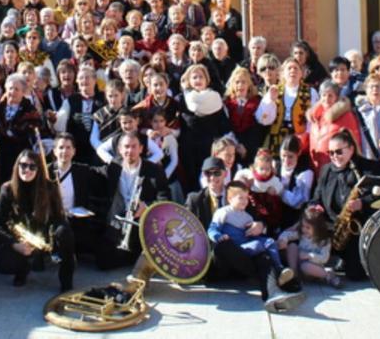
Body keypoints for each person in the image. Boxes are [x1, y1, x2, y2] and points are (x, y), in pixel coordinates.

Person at [186, 157, 303, 313]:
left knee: (263, 253)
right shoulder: (195, 199)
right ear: (203, 175)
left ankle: (273, 294)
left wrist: (260, 226)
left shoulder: (238, 194)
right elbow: (187, 230)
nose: (212, 178)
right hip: (216, 261)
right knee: (223, 244)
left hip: (243, 256)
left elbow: (260, 219)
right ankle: (282, 282)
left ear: (225, 173)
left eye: (216, 173)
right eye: (208, 174)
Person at [310, 130, 380, 280]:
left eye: (339, 152)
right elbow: (316, 197)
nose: (334, 157)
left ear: (351, 149)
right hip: (333, 227)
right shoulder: (326, 170)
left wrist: (362, 203)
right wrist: (315, 207)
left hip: (358, 229)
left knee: (356, 275)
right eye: (331, 153)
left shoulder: (369, 168)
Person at [0, 149, 75, 292]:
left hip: (44, 237)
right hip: (22, 240)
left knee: (66, 233)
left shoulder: (49, 187)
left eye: (32, 166)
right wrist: (15, 244)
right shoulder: (7, 189)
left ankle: (66, 279)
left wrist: (57, 238)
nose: (27, 170)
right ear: (17, 166)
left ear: (39, 169)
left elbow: (59, 218)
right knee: (2, 263)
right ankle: (22, 270)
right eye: (23, 165)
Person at [94, 133, 170, 270]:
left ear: (141, 149)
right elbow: (91, 172)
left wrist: (146, 207)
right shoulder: (114, 167)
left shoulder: (155, 170)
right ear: (120, 149)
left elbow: (164, 199)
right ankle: (130, 255)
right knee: (102, 261)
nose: (130, 151)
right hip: (120, 219)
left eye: (134, 146)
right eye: (126, 147)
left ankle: (133, 254)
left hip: (143, 221)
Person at [208, 180, 295, 287]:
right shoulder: (223, 212)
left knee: (270, 242)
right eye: (241, 198)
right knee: (258, 246)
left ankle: (279, 269)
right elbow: (212, 229)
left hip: (247, 244)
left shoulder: (248, 217)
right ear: (230, 199)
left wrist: (257, 230)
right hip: (234, 248)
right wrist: (218, 236)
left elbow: (254, 235)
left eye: (246, 198)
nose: (245, 201)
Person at [178, 64, 231, 194]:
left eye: (201, 76)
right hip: (190, 149)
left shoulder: (215, 97)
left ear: (207, 79)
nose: (198, 80)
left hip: (210, 147)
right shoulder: (182, 98)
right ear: (188, 80)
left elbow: (223, 123)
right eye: (194, 77)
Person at [277, 207, 340, 288]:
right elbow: (287, 234)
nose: (304, 229)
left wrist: (309, 255)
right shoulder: (302, 235)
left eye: (308, 228)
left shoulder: (324, 241)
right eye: (303, 226)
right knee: (292, 246)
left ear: (317, 228)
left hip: (312, 269)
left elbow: (324, 258)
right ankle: (293, 275)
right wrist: (283, 240)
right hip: (298, 267)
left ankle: (328, 275)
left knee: (305, 266)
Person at [308, 80, 362, 171]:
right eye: (324, 95)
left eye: (330, 95)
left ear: (337, 97)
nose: (326, 99)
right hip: (317, 168)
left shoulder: (346, 116)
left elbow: (354, 143)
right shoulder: (315, 117)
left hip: (338, 168)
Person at [354, 75, 380, 163]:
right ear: (366, 91)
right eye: (371, 87)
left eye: (378, 86)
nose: (374, 89)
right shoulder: (359, 110)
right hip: (366, 158)